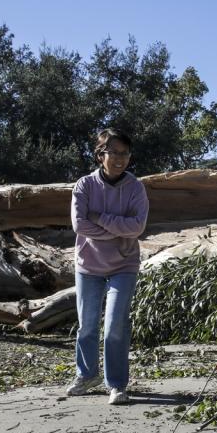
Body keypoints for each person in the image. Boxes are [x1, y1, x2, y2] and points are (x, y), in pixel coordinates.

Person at [66, 128, 150, 405]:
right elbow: (80, 225)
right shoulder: (84, 185)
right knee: (87, 326)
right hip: (88, 265)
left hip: (124, 265)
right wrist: (118, 228)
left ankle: (116, 384)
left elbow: (137, 226)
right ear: (100, 154)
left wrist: (100, 217)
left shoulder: (135, 187)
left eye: (124, 153)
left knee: (115, 326)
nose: (120, 158)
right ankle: (86, 375)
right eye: (113, 152)